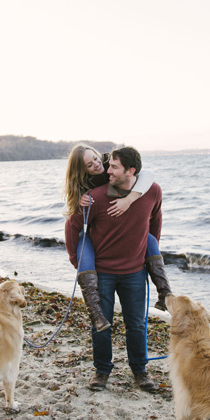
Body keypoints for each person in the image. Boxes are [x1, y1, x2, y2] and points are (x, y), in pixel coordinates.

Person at [65, 146, 163, 392]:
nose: (105, 168)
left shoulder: (151, 191)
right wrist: (76, 259)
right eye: (97, 164)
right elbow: (72, 225)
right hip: (104, 271)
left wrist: (148, 249)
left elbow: (155, 221)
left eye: (110, 165)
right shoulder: (94, 196)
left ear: (130, 171)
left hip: (134, 271)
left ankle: (140, 371)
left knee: (137, 324)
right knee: (101, 323)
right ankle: (102, 371)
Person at [63, 145, 174, 333]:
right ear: (81, 171)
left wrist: (129, 199)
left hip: (125, 235)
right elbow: (73, 223)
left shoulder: (111, 163)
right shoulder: (83, 185)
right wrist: (75, 259)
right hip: (90, 232)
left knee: (150, 240)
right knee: (84, 257)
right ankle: (95, 312)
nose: (98, 166)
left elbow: (146, 174)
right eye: (90, 165)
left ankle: (164, 291)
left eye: (96, 158)